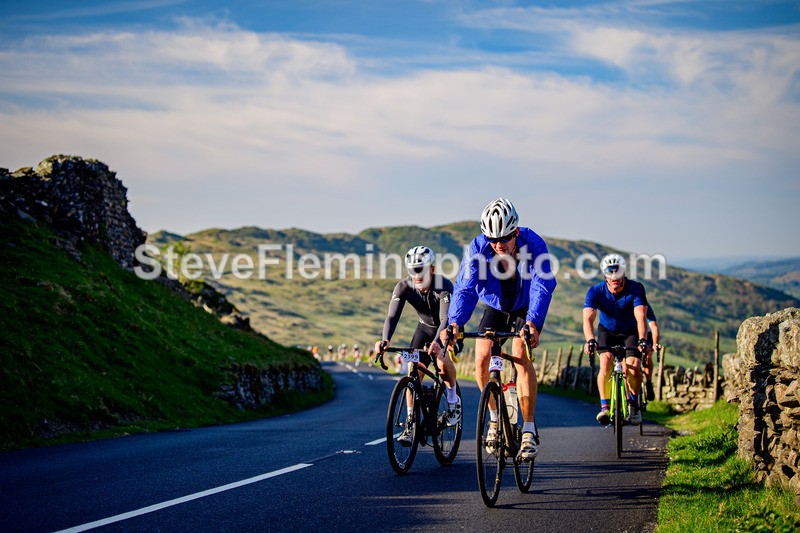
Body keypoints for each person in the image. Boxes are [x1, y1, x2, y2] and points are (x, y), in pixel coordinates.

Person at [443, 198, 557, 460]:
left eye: (504, 237)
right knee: (481, 356)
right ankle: (495, 419)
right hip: (495, 306)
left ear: (516, 231)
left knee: (520, 353)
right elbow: (464, 287)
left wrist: (534, 323)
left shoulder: (534, 243)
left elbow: (542, 284)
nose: (498, 245)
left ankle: (528, 429)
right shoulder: (478, 248)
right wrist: (455, 323)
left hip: (525, 308)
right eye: (492, 239)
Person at [375, 245, 461, 445]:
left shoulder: (443, 285)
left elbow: (445, 318)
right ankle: (410, 423)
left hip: (447, 329)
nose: (417, 275)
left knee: (441, 361)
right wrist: (385, 339)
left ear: (431, 268)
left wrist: (439, 342)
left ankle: (452, 401)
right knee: (414, 373)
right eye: (413, 270)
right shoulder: (403, 286)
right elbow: (392, 316)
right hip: (423, 329)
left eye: (421, 269)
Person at [583, 253, 649, 426]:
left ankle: (634, 405)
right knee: (605, 362)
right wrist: (590, 340)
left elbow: (641, 316)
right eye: (610, 273)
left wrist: (643, 339)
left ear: (623, 273)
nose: (614, 277)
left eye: (617, 273)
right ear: (604, 274)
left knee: (633, 365)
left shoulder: (636, 288)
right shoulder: (595, 291)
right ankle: (605, 407)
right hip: (607, 331)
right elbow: (587, 319)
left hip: (630, 331)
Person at [643, 305, 661, 401]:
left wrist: (655, 344)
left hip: (647, 335)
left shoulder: (646, 307)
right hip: (631, 334)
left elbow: (654, 327)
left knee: (647, 358)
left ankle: (648, 382)